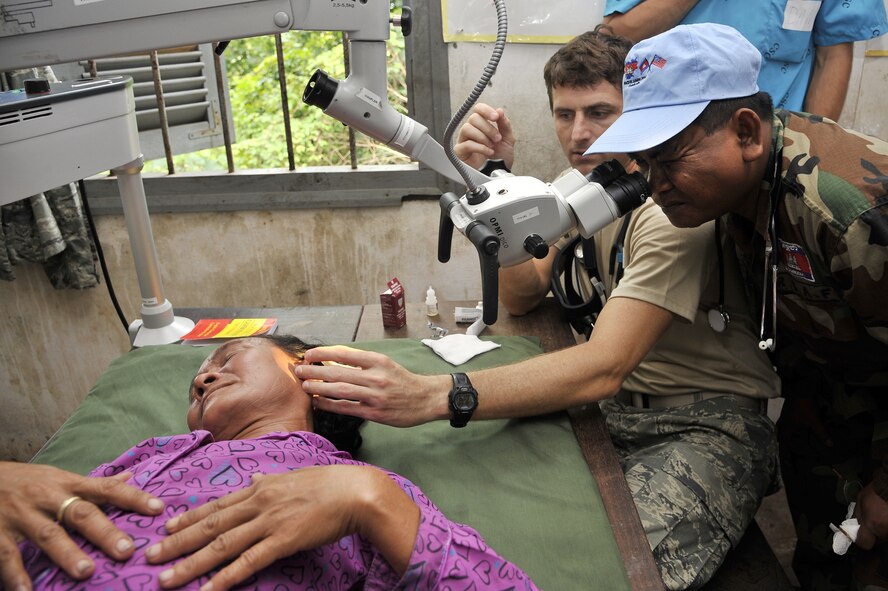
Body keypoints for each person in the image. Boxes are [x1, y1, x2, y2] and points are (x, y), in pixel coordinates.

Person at [294, 29, 781, 590]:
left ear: (643, 114)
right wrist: (497, 185)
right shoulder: (582, 185)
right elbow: (526, 292)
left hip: (703, 426)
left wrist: (433, 395)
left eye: (600, 112)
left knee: (586, 571)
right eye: (564, 114)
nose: (579, 134)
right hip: (614, 412)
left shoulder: (674, 209)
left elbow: (603, 365)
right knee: (475, 499)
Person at [583, 22, 888, 589]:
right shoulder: (736, 190)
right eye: (645, 165)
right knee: (830, 561)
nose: (654, 186)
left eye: (668, 160)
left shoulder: (845, 216)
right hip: (830, 394)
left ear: (747, 132)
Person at [4, 334, 539, 591]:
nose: (202, 377)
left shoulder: (357, 487)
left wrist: (368, 501)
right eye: (198, 380)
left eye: (228, 357)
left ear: (315, 375)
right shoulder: (145, 457)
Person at [601, 0, 888, 121]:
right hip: (664, 140)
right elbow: (618, 34)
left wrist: (811, 152)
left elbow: (833, 54)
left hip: (769, 149)